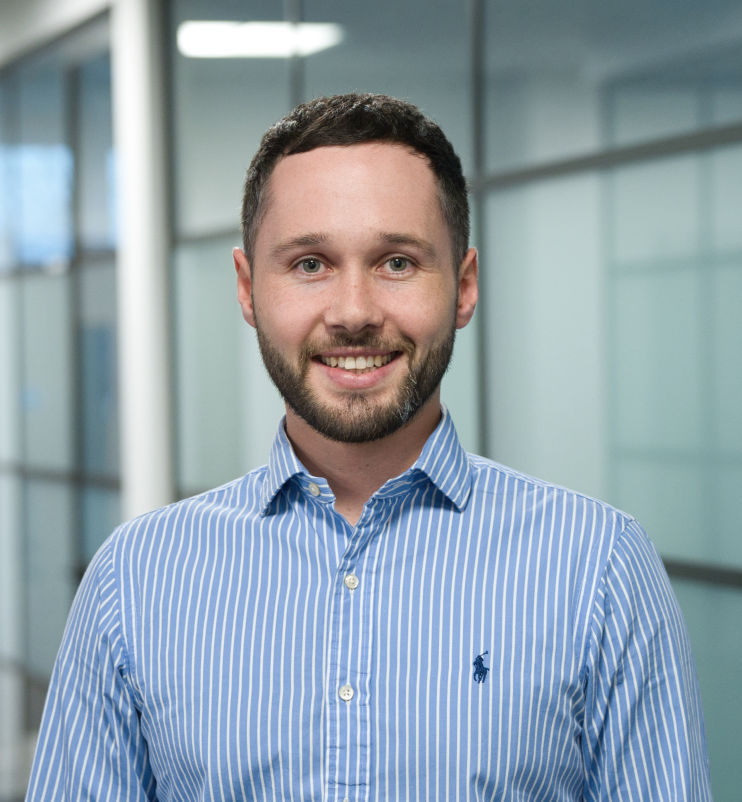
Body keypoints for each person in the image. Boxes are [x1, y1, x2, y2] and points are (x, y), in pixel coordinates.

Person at [27, 93, 712, 801]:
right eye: (310, 264)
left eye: (396, 262)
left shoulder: (599, 571)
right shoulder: (134, 583)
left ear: (465, 286)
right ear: (247, 289)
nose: (353, 312)